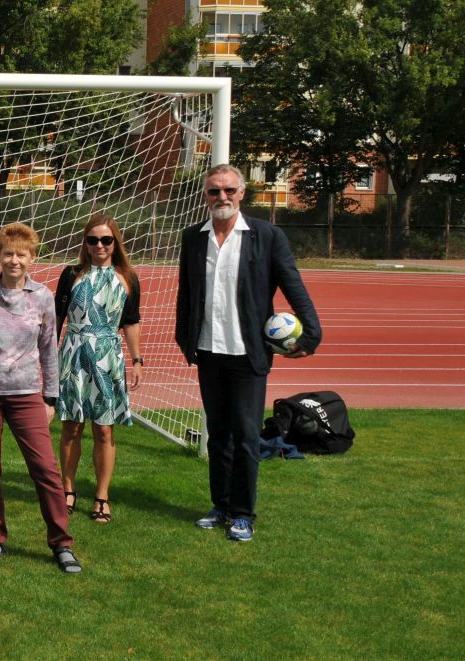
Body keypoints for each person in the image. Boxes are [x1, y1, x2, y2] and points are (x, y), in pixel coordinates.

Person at [176, 164, 322, 542]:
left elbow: (294, 285)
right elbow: (187, 293)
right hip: (209, 352)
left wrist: (311, 335)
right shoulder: (193, 237)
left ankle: (243, 513)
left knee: (245, 436)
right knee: (217, 436)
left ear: (242, 193)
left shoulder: (266, 236)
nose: (221, 197)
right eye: (213, 191)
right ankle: (220, 505)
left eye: (228, 190)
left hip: (247, 355)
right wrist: (183, 337)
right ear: (205, 196)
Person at [0, 223, 81, 572]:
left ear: (32, 258)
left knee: (46, 469)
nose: (14, 260)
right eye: (8, 253)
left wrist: (50, 396)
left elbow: (49, 348)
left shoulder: (43, 297)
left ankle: (61, 543)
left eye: (21, 254)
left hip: (25, 394)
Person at [54, 215, 143, 525]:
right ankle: (67, 489)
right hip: (73, 354)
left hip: (108, 356)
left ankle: (101, 496)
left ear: (115, 242)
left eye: (106, 240)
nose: (99, 246)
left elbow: (130, 321)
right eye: (93, 240)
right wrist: (49, 360)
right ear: (85, 243)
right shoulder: (71, 274)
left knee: (104, 429)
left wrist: (137, 360)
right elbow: (57, 318)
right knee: (71, 427)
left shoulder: (128, 277)